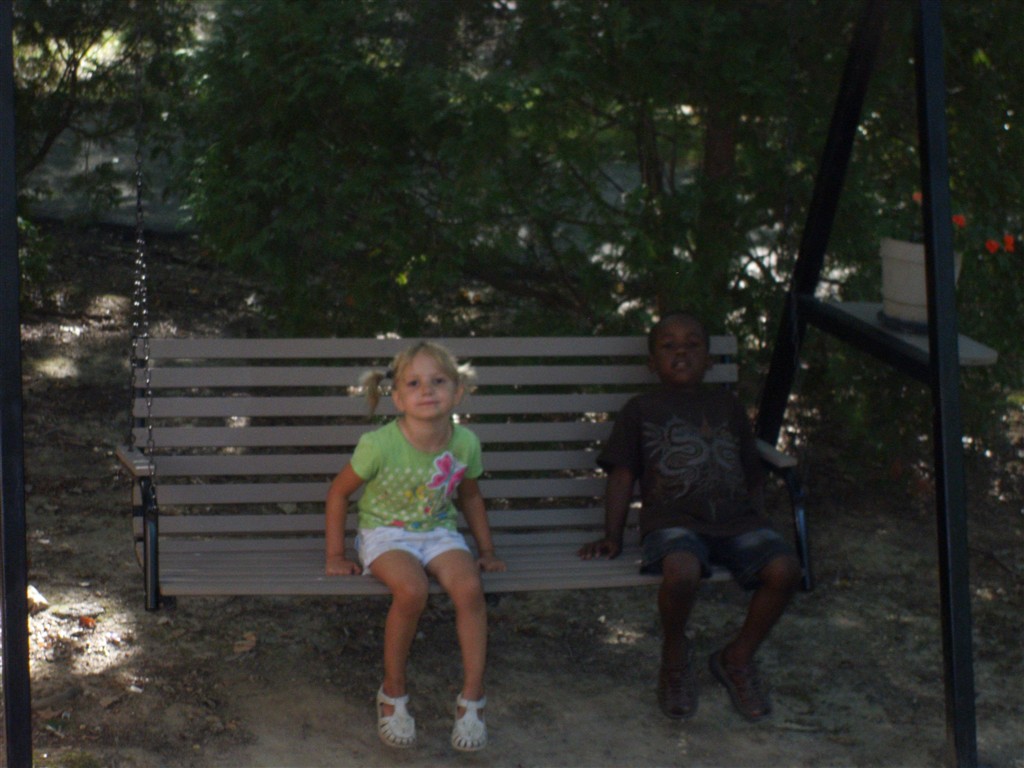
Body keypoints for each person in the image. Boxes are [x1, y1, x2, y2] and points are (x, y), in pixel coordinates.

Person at [579, 311, 801, 723]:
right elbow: (622, 474)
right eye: (669, 346)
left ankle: (736, 658)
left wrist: (759, 518)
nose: (681, 353)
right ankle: (675, 653)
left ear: (709, 360)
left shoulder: (728, 406)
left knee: (785, 569)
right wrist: (612, 535)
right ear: (652, 363)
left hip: (736, 520)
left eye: (693, 345)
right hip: (672, 520)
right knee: (682, 571)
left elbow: (751, 471)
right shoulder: (641, 409)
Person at [324, 341, 506, 752]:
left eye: (438, 381)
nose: (427, 390)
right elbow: (338, 493)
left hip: (439, 532)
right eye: (414, 383)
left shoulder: (465, 443)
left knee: (469, 588)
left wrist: (487, 550)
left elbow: (470, 496)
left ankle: (472, 697)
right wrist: (335, 555)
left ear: (458, 392)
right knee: (412, 589)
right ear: (398, 398)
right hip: (385, 534)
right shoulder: (379, 444)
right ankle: (393, 690)